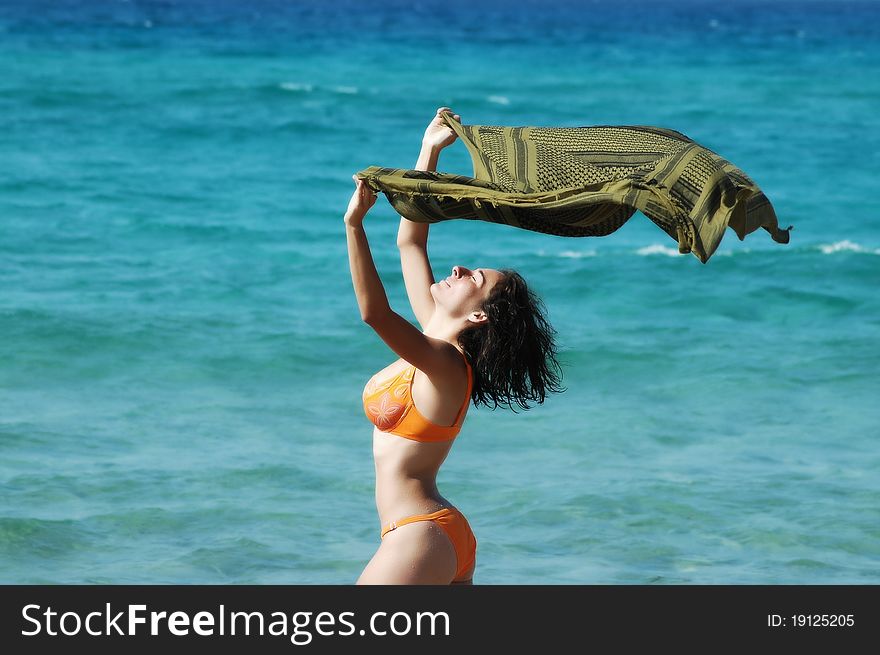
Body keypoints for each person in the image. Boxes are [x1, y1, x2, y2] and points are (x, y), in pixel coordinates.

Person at [344, 107, 565, 584]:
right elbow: (411, 242)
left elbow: (374, 314)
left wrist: (355, 227)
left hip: (421, 534)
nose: (461, 268)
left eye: (476, 278)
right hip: (428, 536)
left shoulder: (445, 363)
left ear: (479, 315)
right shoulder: (434, 341)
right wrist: (430, 150)